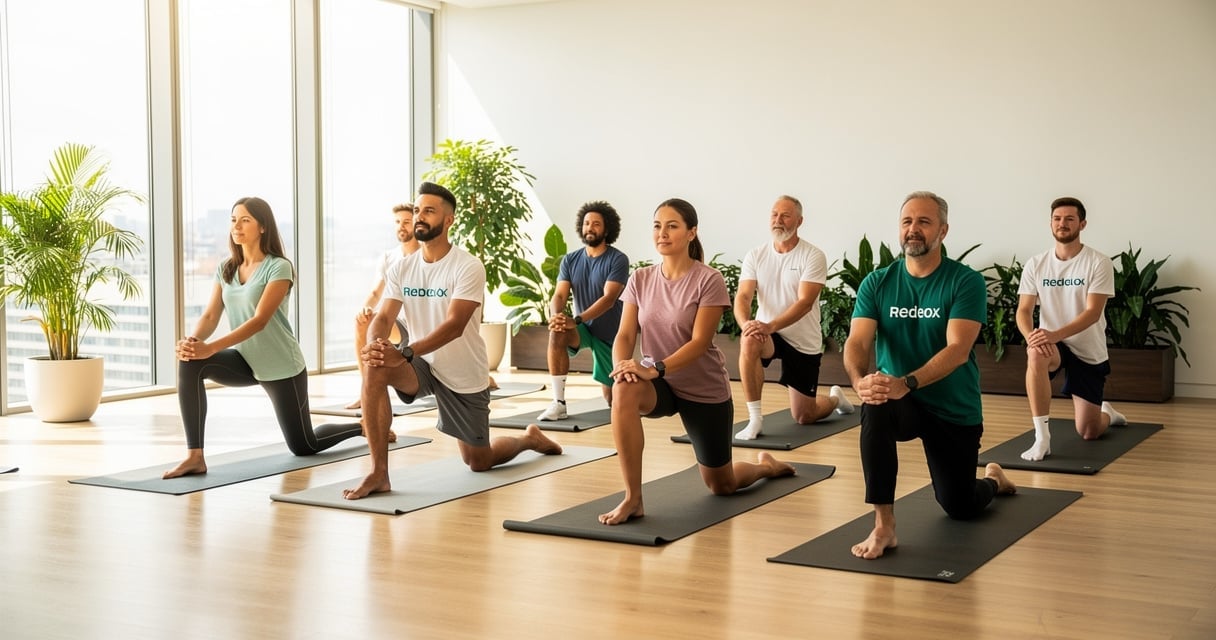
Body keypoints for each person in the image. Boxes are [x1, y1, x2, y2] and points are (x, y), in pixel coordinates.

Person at [343, 182, 562, 500]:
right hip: (422, 363)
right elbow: (384, 316)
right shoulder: (402, 267)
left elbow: (454, 326)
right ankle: (379, 473)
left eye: (429, 211)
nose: (419, 216)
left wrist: (404, 352)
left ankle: (529, 439)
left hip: (461, 370)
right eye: (417, 210)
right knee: (375, 367)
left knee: (478, 461)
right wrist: (375, 344)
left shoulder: (467, 266)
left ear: (449, 220)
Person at [598, 198, 796, 526]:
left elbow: (700, 342)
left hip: (702, 388)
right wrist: (622, 367)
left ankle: (766, 467)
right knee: (623, 389)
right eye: (657, 226)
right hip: (659, 384)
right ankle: (633, 498)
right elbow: (625, 335)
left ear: (691, 233)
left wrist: (654, 368)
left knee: (722, 485)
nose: (662, 233)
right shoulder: (641, 278)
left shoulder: (708, 279)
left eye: (672, 226)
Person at [844, 191, 1016, 559]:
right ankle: (884, 525)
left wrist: (906, 383)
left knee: (960, 506)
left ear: (943, 231)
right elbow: (857, 341)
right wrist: (860, 381)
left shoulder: (964, 281)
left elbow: (958, 349)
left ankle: (992, 480)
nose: (913, 229)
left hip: (951, 407)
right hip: (899, 401)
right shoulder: (878, 282)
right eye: (907, 221)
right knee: (875, 402)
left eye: (924, 221)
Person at [164, 197, 366, 479]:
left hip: (281, 366)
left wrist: (210, 348)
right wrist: (193, 343)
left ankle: (362, 427)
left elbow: (260, 321)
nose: (237, 226)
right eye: (233, 220)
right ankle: (194, 457)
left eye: (245, 220)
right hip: (246, 361)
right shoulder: (226, 268)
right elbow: (210, 316)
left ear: (262, 227)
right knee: (190, 364)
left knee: (304, 445)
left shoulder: (278, 267)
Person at [733, 195, 854, 440]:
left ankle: (835, 399)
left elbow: (805, 303)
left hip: (802, 341)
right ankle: (755, 419)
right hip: (767, 334)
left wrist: (770, 325)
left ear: (799, 221)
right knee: (749, 339)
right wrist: (747, 325)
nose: (778, 220)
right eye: (774, 214)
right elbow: (743, 296)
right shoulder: (756, 255)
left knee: (804, 416)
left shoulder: (812, 255)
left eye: (785, 216)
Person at [1016, 196, 1126, 461]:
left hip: (1087, 349)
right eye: (1057, 218)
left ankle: (1107, 413)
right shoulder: (1036, 264)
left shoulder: (1098, 262)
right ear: (1050, 223)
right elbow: (1023, 310)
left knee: (1089, 431)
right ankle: (1042, 437)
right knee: (1035, 353)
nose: (1062, 223)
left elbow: (1092, 313)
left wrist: (1054, 334)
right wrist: (1031, 337)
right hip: (1053, 344)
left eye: (1069, 219)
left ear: (1082, 224)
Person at [537, 200, 629, 420]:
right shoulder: (570, 260)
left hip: (610, 334)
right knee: (557, 331)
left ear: (606, 229)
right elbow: (559, 295)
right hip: (583, 329)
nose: (590, 228)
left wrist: (576, 319)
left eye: (596, 224)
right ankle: (558, 403)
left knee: (613, 400)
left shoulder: (618, 259)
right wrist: (556, 317)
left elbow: (609, 299)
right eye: (587, 223)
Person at [346, 203, 420, 409]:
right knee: (362, 323)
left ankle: (482, 377)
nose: (401, 226)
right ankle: (367, 390)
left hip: (422, 327)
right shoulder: (389, 257)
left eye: (406, 222)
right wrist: (365, 309)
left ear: (416, 224)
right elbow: (376, 293)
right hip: (399, 325)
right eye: (397, 222)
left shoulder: (426, 256)